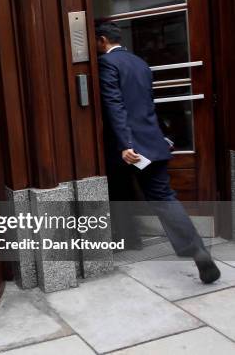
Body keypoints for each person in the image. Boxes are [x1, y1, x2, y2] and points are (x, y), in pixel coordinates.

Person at [95, 21, 221, 284]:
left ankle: (127, 239)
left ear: (103, 40)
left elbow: (114, 106)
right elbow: (146, 104)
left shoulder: (107, 64)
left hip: (127, 146)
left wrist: (125, 145)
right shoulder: (140, 63)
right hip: (152, 142)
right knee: (164, 197)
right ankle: (196, 248)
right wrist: (160, 137)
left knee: (117, 188)